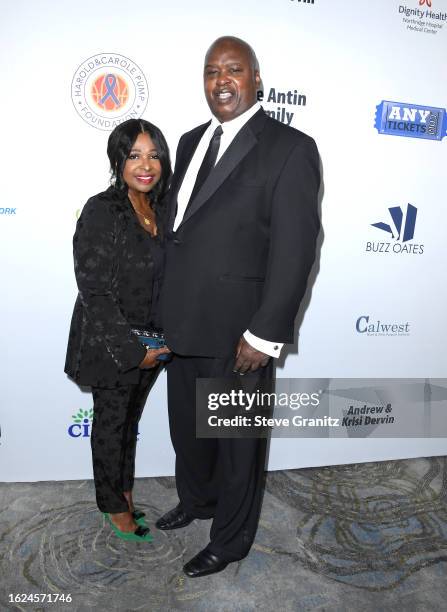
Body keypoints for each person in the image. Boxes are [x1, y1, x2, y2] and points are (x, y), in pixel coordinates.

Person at [158, 36, 321, 576]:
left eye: (233, 70)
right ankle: (198, 501)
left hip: (239, 334)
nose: (220, 80)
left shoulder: (290, 147)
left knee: (236, 445)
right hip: (182, 323)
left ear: (256, 80)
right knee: (188, 429)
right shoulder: (186, 142)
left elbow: (296, 250)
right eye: (211, 71)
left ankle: (230, 539)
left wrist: (264, 332)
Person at [65, 119, 171, 542]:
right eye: (134, 155)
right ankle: (112, 505)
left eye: (153, 155)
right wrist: (131, 352)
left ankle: (124, 492)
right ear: (118, 160)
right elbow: (94, 290)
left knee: (129, 425)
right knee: (111, 426)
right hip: (112, 345)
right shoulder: (101, 209)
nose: (146, 165)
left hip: (153, 342)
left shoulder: (160, 209)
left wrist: (160, 343)